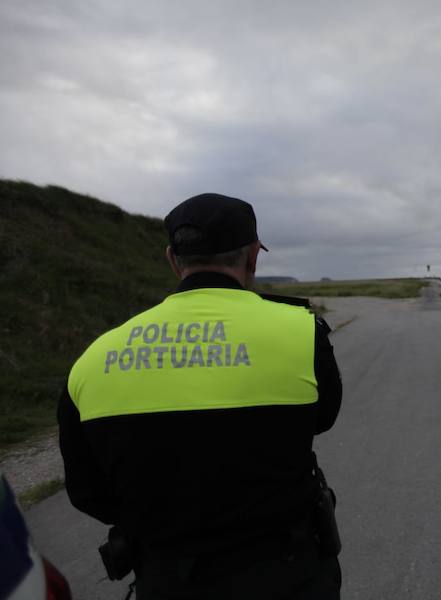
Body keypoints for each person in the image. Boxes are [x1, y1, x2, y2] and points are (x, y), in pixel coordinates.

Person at [58, 193, 343, 599]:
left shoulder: (94, 357)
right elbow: (323, 417)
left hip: (168, 577)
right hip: (288, 572)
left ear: (173, 259)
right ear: (252, 258)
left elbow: (86, 490)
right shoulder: (302, 333)